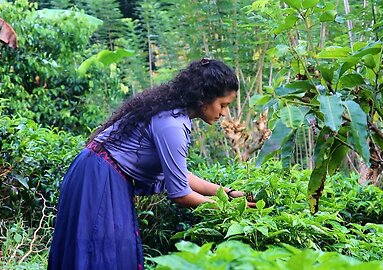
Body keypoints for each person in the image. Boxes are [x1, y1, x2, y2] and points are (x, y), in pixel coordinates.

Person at [48, 58, 254, 270]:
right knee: (101, 255)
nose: (224, 113)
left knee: (97, 252)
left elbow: (179, 175)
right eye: (223, 105)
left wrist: (227, 194)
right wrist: (227, 209)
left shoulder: (173, 113)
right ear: (204, 98)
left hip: (97, 172)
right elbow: (181, 194)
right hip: (100, 179)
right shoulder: (172, 125)